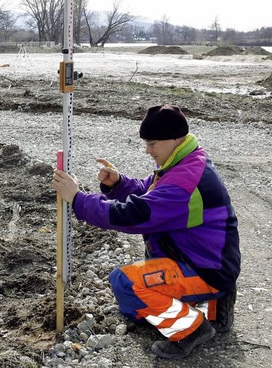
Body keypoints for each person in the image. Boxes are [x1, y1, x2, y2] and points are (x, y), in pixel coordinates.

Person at [52, 104, 240, 360]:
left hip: (205, 268)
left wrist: (77, 199)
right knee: (133, 309)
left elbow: (135, 214)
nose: (147, 150)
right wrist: (119, 184)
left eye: (152, 144)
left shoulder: (185, 182)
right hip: (209, 261)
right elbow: (150, 190)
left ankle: (192, 329)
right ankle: (219, 303)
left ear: (175, 139)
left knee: (125, 283)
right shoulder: (187, 161)